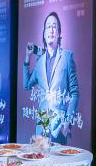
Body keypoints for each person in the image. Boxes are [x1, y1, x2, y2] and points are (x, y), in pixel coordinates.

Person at [22, 11, 79, 143]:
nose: (51, 30)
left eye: (54, 26)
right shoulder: (39, 62)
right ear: (44, 33)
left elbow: (75, 93)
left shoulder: (67, 57)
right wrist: (27, 58)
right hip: (41, 127)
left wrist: (67, 122)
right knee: (39, 156)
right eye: (48, 27)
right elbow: (26, 85)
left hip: (59, 129)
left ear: (59, 33)